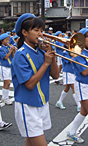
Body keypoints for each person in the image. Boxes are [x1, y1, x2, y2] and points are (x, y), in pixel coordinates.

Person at [11, 13, 59, 146]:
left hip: (41, 102)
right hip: (27, 105)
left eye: (42, 30)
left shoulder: (41, 52)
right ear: (24, 32)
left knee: (31, 141)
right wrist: (45, 63)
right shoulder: (20, 55)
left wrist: (52, 57)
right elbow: (30, 84)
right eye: (36, 30)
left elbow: (55, 76)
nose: (41, 34)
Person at [0, 33, 16, 105]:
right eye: (6, 40)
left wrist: (13, 51)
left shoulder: (8, 48)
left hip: (9, 66)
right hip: (4, 67)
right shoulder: (1, 49)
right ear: (2, 41)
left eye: (8, 40)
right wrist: (11, 50)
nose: (8, 41)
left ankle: (3, 97)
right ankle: (6, 98)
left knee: (6, 83)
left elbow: (11, 56)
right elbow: (5, 57)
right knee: (7, 83)